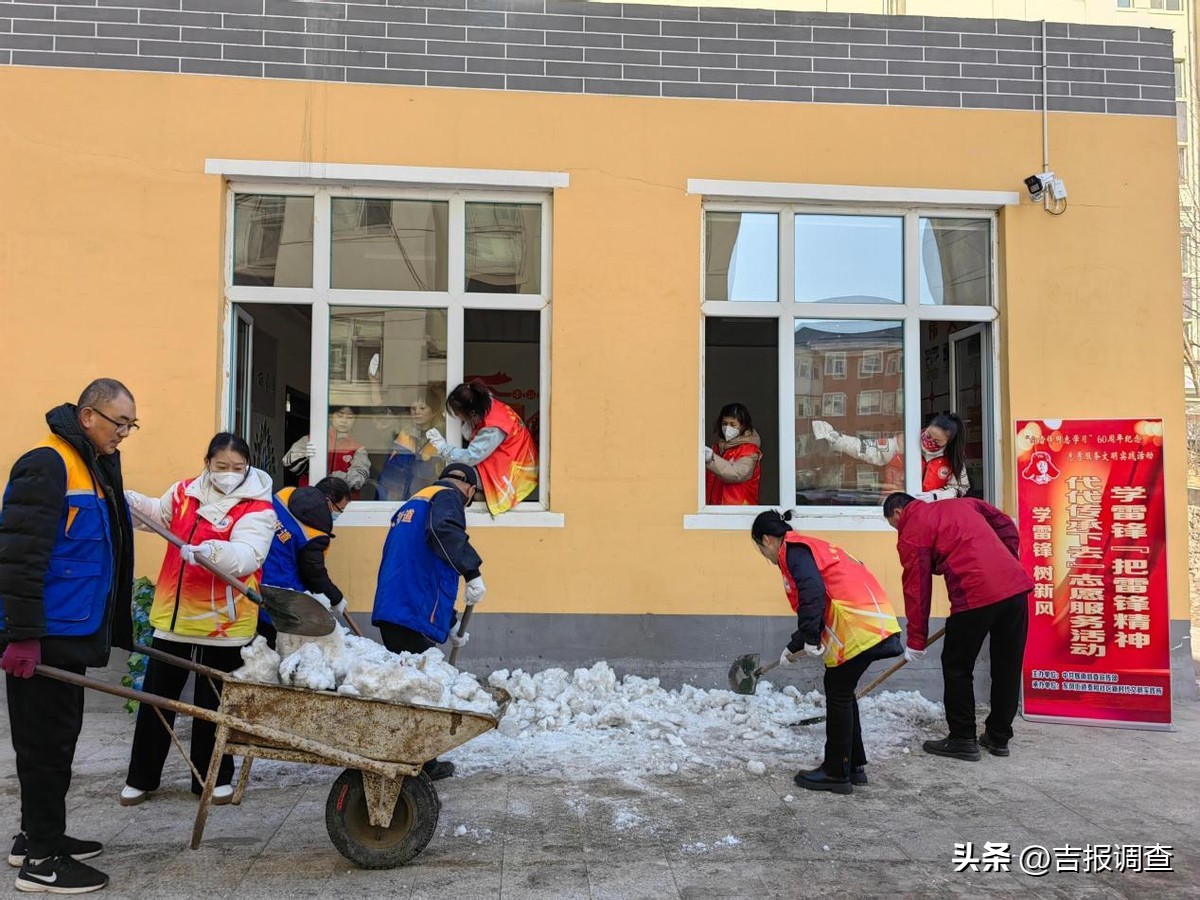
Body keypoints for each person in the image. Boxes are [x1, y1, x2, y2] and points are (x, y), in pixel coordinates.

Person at [0, 379, 137, 894]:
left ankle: (36, 837)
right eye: (118, 422)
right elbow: (18, 557)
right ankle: (42, 862)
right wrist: (22, 636)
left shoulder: (92, 468)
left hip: (70, 628)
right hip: (44, 634)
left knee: (57, 741)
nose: (124, 433)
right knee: (43, 745)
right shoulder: (47, 463)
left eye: (131, 425)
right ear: (86, 416)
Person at [120, 433, 276, 807]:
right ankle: (142, 777)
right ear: (207, 462)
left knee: (213, 706)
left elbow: (247, 556)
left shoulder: (258, 508)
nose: (228, 474)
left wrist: (211, 551)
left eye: (237, 468)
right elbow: (158, 514)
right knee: (157, 702)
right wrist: (127, 500)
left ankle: (211, 777)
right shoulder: (185, 492)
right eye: (221, 467)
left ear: (248, 467)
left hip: (223, 624)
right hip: (172, 620)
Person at [750, 510, 902, 795]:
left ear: (768, 540)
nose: (764, 555)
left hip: (857, 627)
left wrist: (809, 635)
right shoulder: (809, 547)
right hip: (875, 623)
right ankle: (853, 765)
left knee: (838, 691)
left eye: (760, 548)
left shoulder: (794, 552)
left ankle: (835, 772)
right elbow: (823, 592)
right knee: (842, 690)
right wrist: (795, 644)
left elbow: (812, 591)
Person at [883, 492, 1034, 762]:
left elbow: (917, 588)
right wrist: (1007, 562)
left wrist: (916, 640)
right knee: (1007, 666)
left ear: (897, 513)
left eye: (893, 525)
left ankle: (963, 738)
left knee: (957, 666)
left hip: (974, 596)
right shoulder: (963, 503)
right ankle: (999, 737)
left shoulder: (911, 528)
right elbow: (1005, 524)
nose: (897, 530)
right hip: (1016, 591)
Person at [372, 463, 485, 781]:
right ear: (469, 490)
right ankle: (419, 763)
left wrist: (449, 622)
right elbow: (444, 534)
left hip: (398, 607)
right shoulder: (448, 497)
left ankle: (414, 758)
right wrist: (472, 573)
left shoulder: (415, 501)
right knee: (424, 689)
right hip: (410, 611)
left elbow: (423, 565)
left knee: (412, 685)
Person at [425, 381, 537, 516]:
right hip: (513, 460)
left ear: (471, 412)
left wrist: (443, 448)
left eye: (458, 414)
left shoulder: (493, 427)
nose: (458, 417)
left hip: (514, 475)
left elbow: (470, 458)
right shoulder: (487, 405)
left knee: (458, 475)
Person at [258, 486, 346, 648]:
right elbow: (314, 574)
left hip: (254, 576)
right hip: (280, 593)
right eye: (340, 509)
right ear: (329, 501)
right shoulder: (314, 534)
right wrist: (336, 598)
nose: (337, 514)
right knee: (272, 648)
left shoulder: (284, 495)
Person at [812, 412, 970, 501]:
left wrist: (936, 496)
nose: (929, 441)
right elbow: (867, 449)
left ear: (948, 442)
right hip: (895, 512)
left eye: (937, 441)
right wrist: (837, 439)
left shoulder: (953, 459)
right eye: (928, 434)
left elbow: (960, 487)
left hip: (933, 516)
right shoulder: (902, 444)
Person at [281, 405, 371, 493]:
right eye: (339, 416)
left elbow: (359, 479)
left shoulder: (358, 448)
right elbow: (289, 462)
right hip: (310, 501)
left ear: (355, 420)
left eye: (350, 417)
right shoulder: (311, 439)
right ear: (331, 416)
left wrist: (330, 477)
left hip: (342, 505)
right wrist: (307, 457)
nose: (344, 421)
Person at [378, 390, 447, 501]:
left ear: (434, 412)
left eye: (422, 408)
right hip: (397, 500)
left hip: (430, 499)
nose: (416, 412)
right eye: (413, 408)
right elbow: (390, 477)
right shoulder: (401, 434)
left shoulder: (442, 438)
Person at [704, 402, 763, 505]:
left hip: (738, 512)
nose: (727, 428)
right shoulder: (718, 449)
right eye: (724, 423)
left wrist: (712, 459)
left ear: (743, 426)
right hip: (714, 511)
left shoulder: (750, 450)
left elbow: (737, 474)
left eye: (732, 424)